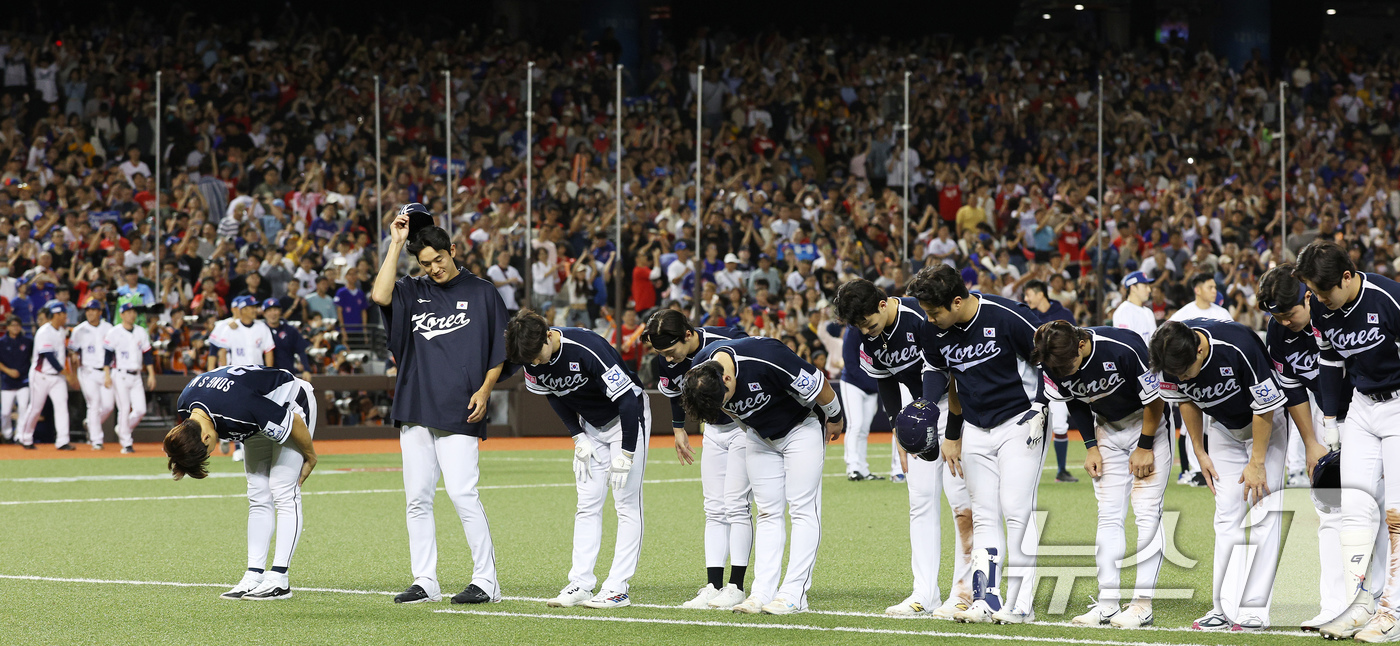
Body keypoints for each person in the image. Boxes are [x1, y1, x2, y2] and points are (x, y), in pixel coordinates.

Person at [372, 203, 507, 606]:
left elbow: (499, 351)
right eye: (426, 262)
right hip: (414, 405)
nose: (434, 268)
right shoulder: (414, 289)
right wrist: (396, 244)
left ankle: (486, 581)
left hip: (459, 408)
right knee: (417, 497)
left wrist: (484, 391)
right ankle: (425, 580)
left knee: (463, 494)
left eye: (439, 259)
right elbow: (379, 293)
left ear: (452, 250)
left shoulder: (482, 291)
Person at [905, 264, 1046, 624]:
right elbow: (938, 372)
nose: (928, 318)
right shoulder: (931, 328)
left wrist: (1043, 407)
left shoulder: (1006, 316)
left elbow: (1049, 358)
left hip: (1020, 420)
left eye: (934, 311)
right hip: (974, 427)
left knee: (1016, 509)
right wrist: (933, 411)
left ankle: (1020, 603)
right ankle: (988, 599)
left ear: (957, 301)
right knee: (983, 515)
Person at [831, 278, 973, 618]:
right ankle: (924, 592)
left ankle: (965, 592)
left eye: (867, 323)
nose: (865, 332)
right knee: (920, 501)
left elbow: (951, 371)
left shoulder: (920, 316)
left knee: (961, 504)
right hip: (919, 415)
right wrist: (898, 428)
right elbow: (884, 377)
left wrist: (950, 428)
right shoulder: (872, 337)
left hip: (957, 409)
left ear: (883, 304)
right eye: (859, 328)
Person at [1149, 318, 1302, 632]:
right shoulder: (1171, 354)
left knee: (1264, 513)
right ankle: (1222, 607)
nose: (1179, 377)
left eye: (1185, 372)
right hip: (1221, 429)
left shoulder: (1238, 344)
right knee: (1226, 515)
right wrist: (1198, 450)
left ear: (1201, 349)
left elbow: (1264, 407)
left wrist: (1257, 462)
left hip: (1265, 427)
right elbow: (1185, 401)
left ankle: (1255, 609)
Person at [1256, 263, 1382, 634]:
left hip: (1372, 413)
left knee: (1378, 511)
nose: (1282, 322)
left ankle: (1383, 604)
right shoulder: (1279, 333)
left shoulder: (1344, 315)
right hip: (1329, 425)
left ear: (1308, 295)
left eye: (1288, 313)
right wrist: (1312, 442)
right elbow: (1292, 387)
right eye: (1275, 316)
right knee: (1330, 516)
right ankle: (1334, 606)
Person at [680, 335, 843, 615]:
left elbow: (818, 384)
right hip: (758, 437)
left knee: (802, 510)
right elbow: (734, 415)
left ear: (728, 379)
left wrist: (836, 417)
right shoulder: (700, 372)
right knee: (767, 512)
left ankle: (794, 593)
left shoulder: (765, 355)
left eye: (723, 398)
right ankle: (762, 592)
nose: (722, 405)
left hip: (800, 428)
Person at [507, 310, 650, 609]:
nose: (535, 363)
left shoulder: (587, 346)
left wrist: (626, 452)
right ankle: (581, 583)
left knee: (625, 503)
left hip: (627, 419)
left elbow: (626, 399)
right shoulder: (530, 355)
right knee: (587, 504)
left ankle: (617, 587)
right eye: (528, 360)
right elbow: (553, 394)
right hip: (590, 427)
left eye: (537, 356)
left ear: (549, 335)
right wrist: (577, 436)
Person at [1031, 321, 1170, 628]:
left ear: (1081, 344)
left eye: (1069, 366)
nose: (1066, 373)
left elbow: (1155, 398)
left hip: (1147, 426)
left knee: (1146, 513)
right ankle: (1108, 602)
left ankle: (1142, 604)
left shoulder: (1122, 346)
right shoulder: (1054, 356)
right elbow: (1074, 402)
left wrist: (1145, 445)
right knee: (1108, 515)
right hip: (1106, 427)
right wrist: (1091, 446)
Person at [1295, 240, 1400, 641]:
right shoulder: (1321, 304)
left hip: (1398, 405)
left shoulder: (1389, 299)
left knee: (1395, 515)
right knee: (1353, 509)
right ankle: (1360, 603)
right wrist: (1330, 418)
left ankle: (1392, 612)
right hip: (1360, 407)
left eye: (1325, 292)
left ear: (1348, 275)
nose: (1319, 301)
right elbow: (1329, 360)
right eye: (1314, 294)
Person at [162, 364, 317, 601]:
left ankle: (279, 579)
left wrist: (311, 456)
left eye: (207, 452)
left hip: (291, 403)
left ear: (205, 437)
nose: (211, 453)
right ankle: (254, 574)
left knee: (283, 491)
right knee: (258, 495)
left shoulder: (236, 408)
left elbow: (293, 421)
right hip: (253, 419)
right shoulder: (186, 405)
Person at [643, 309, 752, 610]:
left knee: (736, 506)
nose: (666, 358)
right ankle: (713, 586)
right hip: (714, 431)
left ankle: (737, 586)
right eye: (660, 353)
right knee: (714, 508)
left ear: (688, 335)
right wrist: (678, 428)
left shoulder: (727, 340)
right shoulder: (668, 359)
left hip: (743, 428)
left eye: (670, 350)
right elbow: (674, 392)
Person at [209, 295, 276, 462]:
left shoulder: (262, 327)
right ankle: (238, 446)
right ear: (243, 310)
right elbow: (221, 351)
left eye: (255, 307)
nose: (255, 310)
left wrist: (269, 372)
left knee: (257, 412)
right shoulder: (230, 327)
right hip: (236, 376)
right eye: (251, 307)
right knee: (237, 412)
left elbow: (268, 350)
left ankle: (256, 446)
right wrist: (223, 372)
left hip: (257, 375)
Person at [1023, 279, 1077, 484]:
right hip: (1033, 375)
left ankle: (1062, 471)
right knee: (1030, 422)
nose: (1026, 299)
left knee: (1061, 424)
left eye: (1029, 294)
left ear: (1040, 294)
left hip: (1060, 376)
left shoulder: (1063, 314)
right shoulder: (1029, 315)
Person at [17, 301, 74, 450]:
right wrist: (67, 374)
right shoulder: (44, 332)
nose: (65, 317)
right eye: (63, 314)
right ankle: (25, 438)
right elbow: (49, 356)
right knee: (35, 408)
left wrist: (70, 355)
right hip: (41, 376)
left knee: (62, 407)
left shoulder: (60, 330)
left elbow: (60, 351)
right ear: (56, 315)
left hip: (57, 377)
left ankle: (62, 441)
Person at [103, 302, 155, 453]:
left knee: (140, 410)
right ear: (122, 315)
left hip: (136, 375)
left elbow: (147, 355)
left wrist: (151, 374)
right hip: (120, 374)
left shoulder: (141, 331)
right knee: (124, 408)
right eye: (129, 312)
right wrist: (107, 375)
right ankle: (126, 443)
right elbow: (107, 356)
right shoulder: (114, 332)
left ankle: (122, 428)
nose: (132, 314)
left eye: (134, 312)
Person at [68, 300, 114, 449]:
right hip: (87, 371)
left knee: (108, 406)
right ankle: (96, 440)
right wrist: (73, 360)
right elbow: (71, 350)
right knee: (93, 404)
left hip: (105, 371)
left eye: (93, 310)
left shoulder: (109, 328)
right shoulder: (79, 330)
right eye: (87, 310)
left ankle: (90, 423)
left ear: (100, 312)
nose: (90, 312)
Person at [261, 299, 314, 379]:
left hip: (286, 375)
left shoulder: (290, 330)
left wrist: (306, 369)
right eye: (269, 310)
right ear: (264, 314)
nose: (273, 314)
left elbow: (301, 350)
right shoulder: (259, 330)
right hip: (264, 376)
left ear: (280, 311)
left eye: (275, 310)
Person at [0, 316, 31, 443]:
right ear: (7, 327)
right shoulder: (2, 342)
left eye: (18, 325)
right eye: (13, 325)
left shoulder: (27, 342)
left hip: (24, 381)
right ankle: (7, 434)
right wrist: (8, 371)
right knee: (6, 412)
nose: (15, 328)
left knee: (23, 408)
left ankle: (20, 435)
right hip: (7, 381)